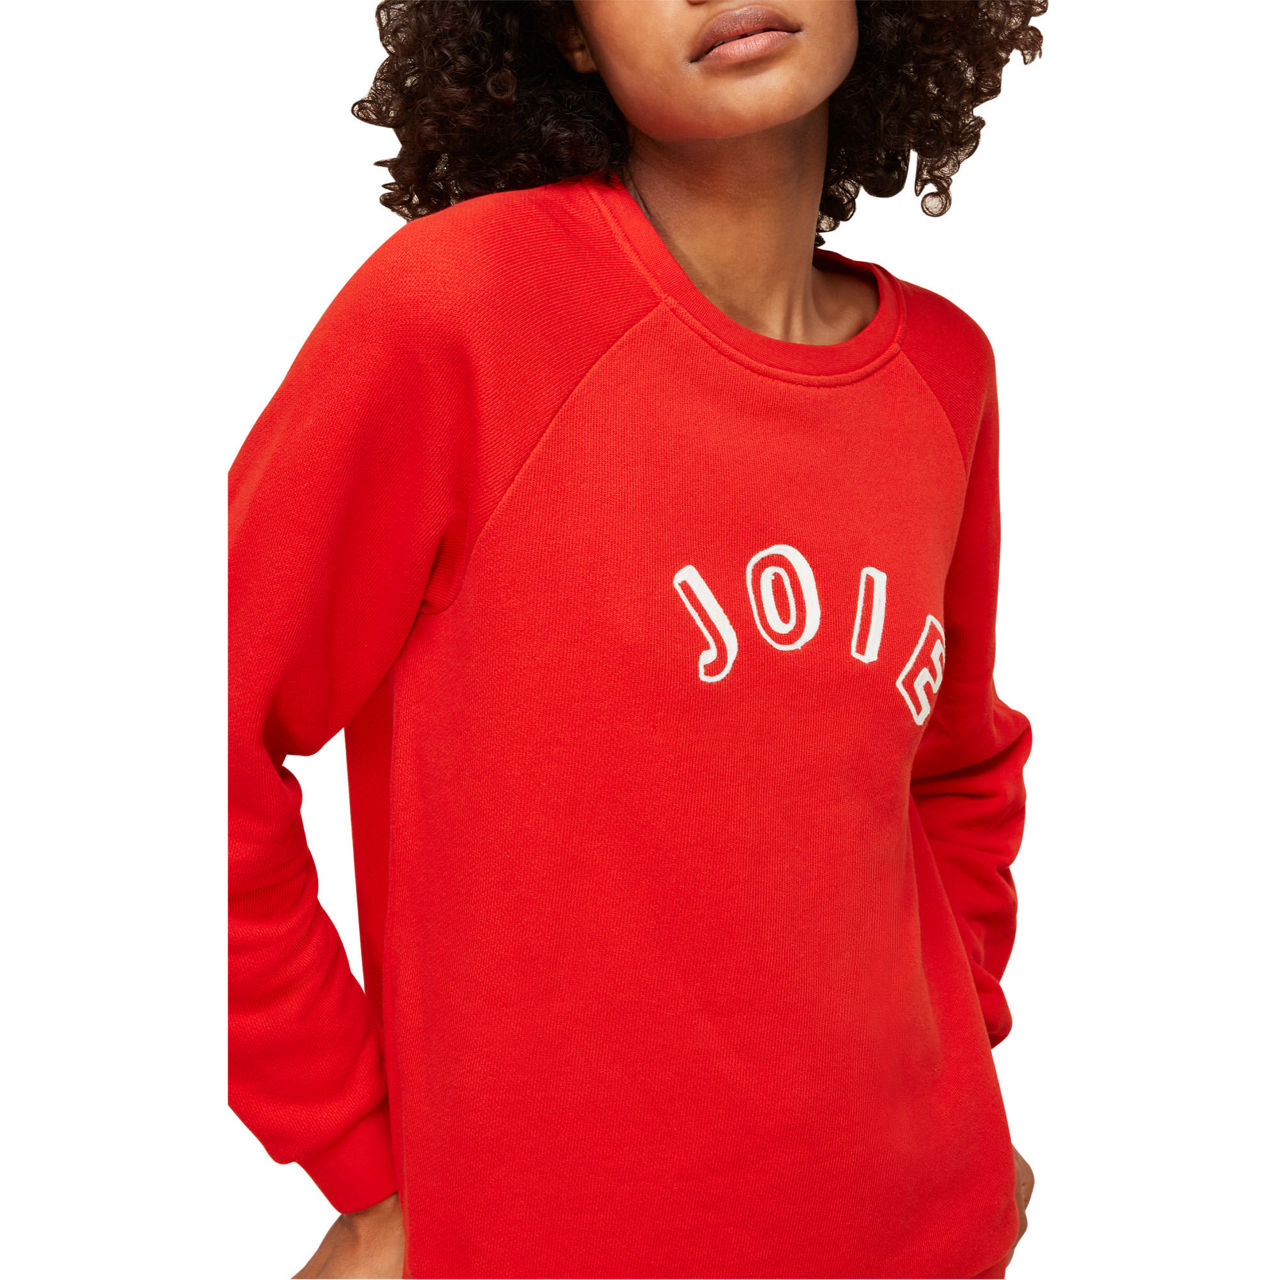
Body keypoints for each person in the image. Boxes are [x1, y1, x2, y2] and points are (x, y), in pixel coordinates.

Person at [227, 2, 1046, 1276]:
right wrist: (361, 1160)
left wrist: (964, 1085)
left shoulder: (944, 372)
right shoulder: (465, 309)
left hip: (913, 1225)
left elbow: (953, 772)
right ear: (565, 34)